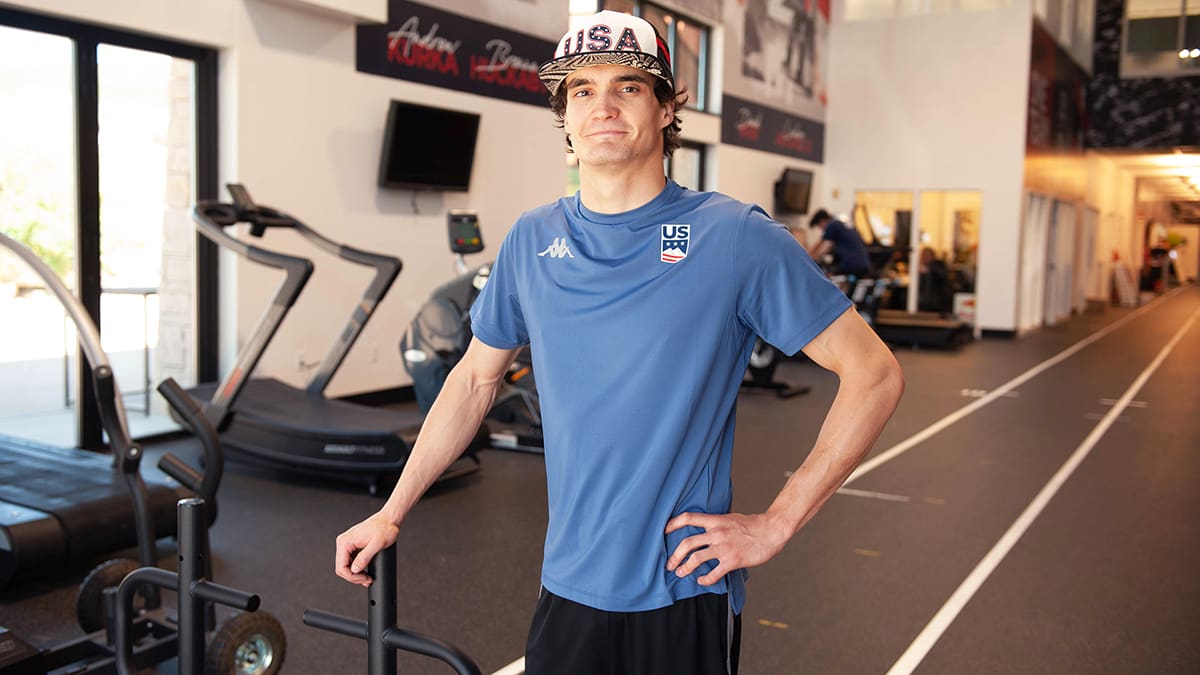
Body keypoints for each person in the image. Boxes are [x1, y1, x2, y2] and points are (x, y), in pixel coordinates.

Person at [335, 10, 904, 674]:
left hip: (682, 590)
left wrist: (776, 521)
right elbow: (472, 382)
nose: (601, 104)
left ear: (667, 107)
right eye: (581, 90)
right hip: (567, 586)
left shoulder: (734, 236)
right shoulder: (530, 239)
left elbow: (875, 374)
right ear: (565, 116)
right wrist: (392, 510)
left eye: (628, 86)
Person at [808, 208, 871, 277]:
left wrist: (810, 257)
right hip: (863, 263)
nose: (821, 229)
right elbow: (830, 247)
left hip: (851, 264)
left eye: (819, 226)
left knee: (828, 276)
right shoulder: (841, 225)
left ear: (822, 221)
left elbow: (822, 244)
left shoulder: (832, 225)